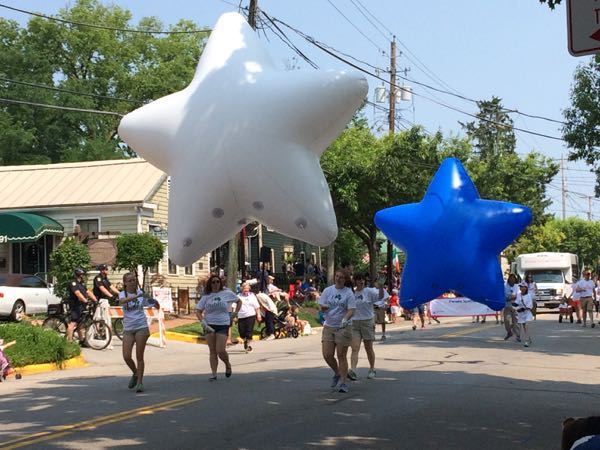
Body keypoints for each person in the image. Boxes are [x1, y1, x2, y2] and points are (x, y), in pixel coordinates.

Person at [118, 272, 160, 393]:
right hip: (128, 328)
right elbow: (122, 301)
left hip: (141, 327)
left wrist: (154, 302)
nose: (133, 282)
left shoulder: (141, 294)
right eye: (130, 280)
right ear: (125, 283)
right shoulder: (123, 294)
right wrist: (137, 296)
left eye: (134, 280)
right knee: (126, 356)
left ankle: (140, 382)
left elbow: (152, 303)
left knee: (139, 356)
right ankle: (135, 373)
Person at [195, 274, 239, 381]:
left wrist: (235, 313)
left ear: (220, 283)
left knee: (220, 350)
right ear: (210, 284)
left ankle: (227, 364)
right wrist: (203, 323)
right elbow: (198, 311)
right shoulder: (206, 296)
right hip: (209, 324)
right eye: (213, 282)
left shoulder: (226, 293)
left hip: (223, 324)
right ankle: (214, 374)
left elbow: (239, 301)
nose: (215, 284)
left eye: (217, 282)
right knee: (212, 351)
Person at [319, 270, 356, 393]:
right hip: (329, 326)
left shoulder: (348, 293)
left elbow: (351, 310)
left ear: (345, 280)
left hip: (343, 327)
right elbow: (321, 306)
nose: (338, 279)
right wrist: (323, 308)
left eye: (341, 277)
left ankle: (344, 383)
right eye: (337, 276)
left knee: (341, 355)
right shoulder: (327, 291)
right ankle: (338, 373)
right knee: (327, 354)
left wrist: (345, 319)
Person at [348, 272, 385, 381]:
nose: (361, 281)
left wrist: (381, 286)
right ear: (355, 281)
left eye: (363, 279)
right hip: (355, 323)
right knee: (355, 347)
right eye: (359, 279)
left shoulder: (369, 291)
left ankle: (372, 369)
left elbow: (380, 296)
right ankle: (353, 370)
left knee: (368, 347)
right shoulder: (352, 294)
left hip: (367, 322)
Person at [93, 264, 121, 349]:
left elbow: (111, 287)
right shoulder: (98, 278)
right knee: (97, 318)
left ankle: (102, 334)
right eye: (105, 269)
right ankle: (96, 334)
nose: (107, 270)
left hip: (105, 301)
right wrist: (111, 296)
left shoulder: (105, 279)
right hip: (100, 300)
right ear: (102, 270)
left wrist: (120, 294)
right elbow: (102, 289)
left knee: (104, 319)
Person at [66, 268, 97, 343]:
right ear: (79, 275)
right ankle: (69, 341)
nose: (83, 276)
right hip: (75, 305)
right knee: (73, 323)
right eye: (82, 274)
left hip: (81, 305)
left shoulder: (81, 283)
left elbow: (88, 292)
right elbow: (77, 293)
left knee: (81, 322)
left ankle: (81, 340)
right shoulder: (73, 283)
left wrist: (96, 300)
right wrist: (85, 300)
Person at [235, 282, 262, 352]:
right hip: (241, 316)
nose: (246, 290)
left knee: (249, 331)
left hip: (250, 315)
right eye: (244, 288)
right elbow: (234, 306)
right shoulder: (238, 296)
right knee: (241, 332)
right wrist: (234, 316)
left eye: (247, 288)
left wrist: (258, 315)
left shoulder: (252, 296)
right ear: (242, 289)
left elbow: (257, 306)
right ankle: (245, 341)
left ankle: (248, 344)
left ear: (249, 289)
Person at [515, 282, 534, 347]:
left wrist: (523, 309)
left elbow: (529, 306)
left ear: (526, 288)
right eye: (520, 286)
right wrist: (514, 305)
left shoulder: (529, 295)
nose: (521, 288)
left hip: (527, 313)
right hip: (521, 314)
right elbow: (517, 302)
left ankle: (526, 341)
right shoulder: (518, 294)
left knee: (526, 326)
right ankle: (528, 338)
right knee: (524, 328)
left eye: (522, 286)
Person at [503, 274, 521, 341]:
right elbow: (503, 295)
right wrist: (509, 298)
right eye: (511, 279)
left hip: (515, 307)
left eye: (513, 279)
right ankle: (509, 332)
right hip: (507, 306)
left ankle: (518, 336)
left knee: (516, 322)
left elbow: (517, 295)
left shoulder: (517, 286)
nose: (512, 280)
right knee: (507, 320)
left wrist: (511, 297)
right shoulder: (505, 286)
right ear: (509, 279)